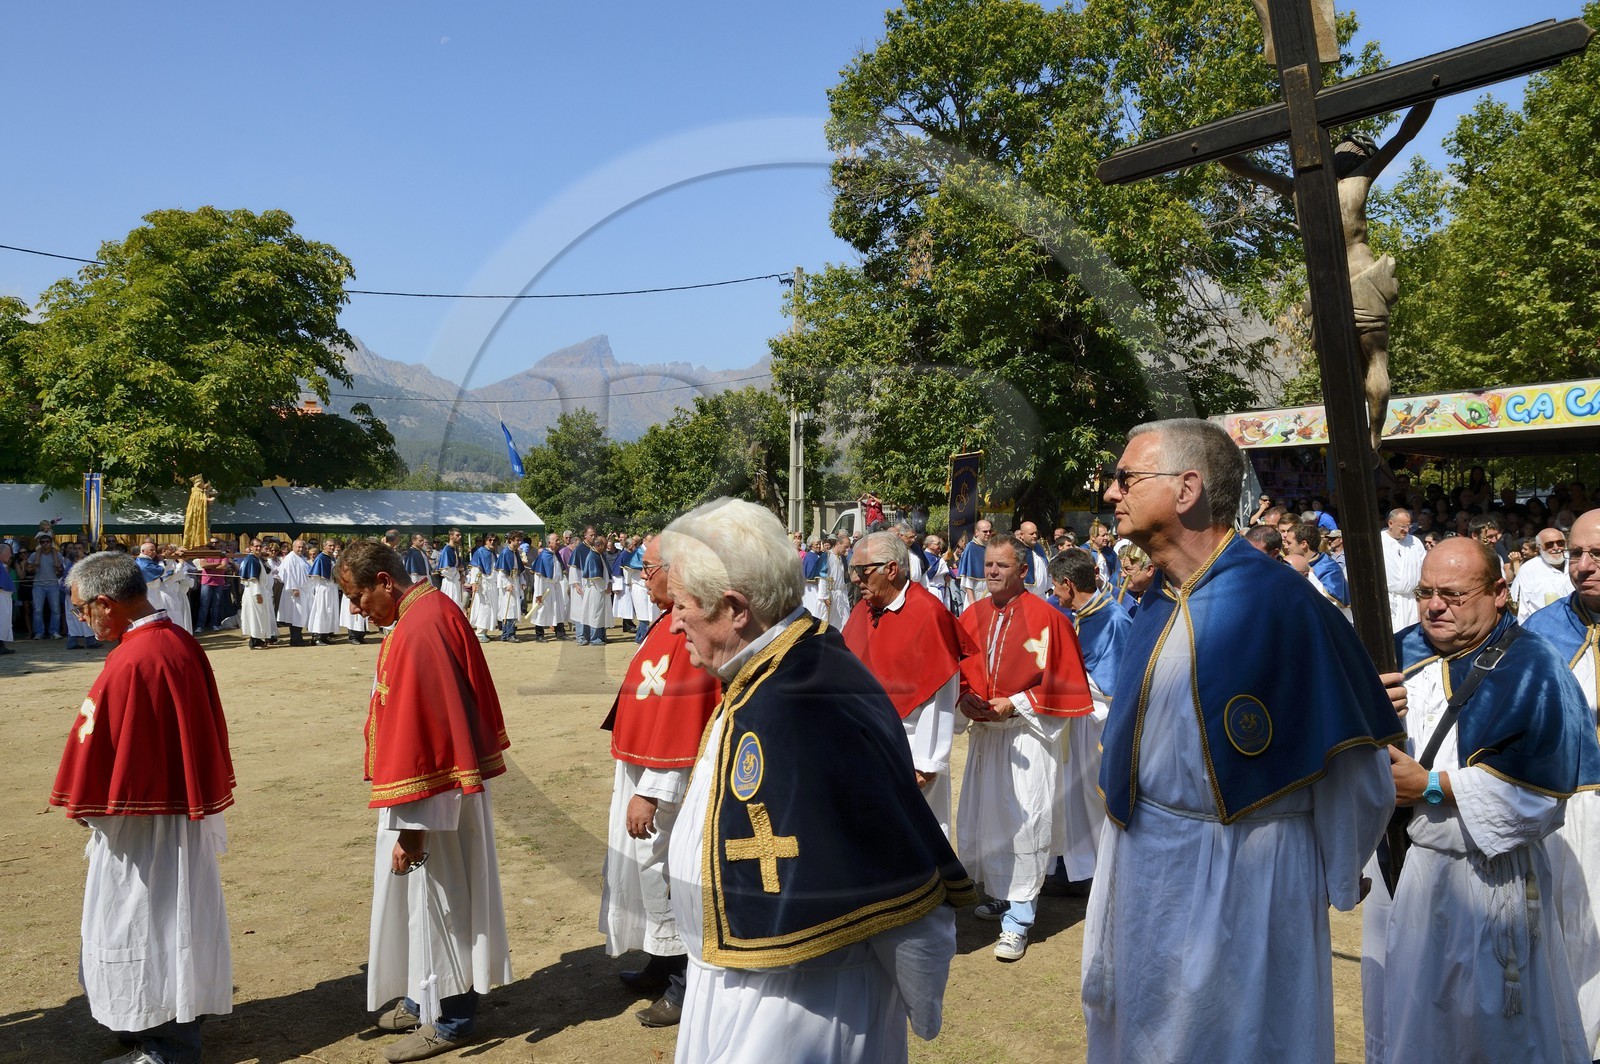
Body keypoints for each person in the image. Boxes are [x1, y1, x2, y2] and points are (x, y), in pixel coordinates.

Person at [1084, 418, 1403, 1063]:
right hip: (1144, 864)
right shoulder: (1154, 600)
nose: (1111, 494)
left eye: (1125, 478)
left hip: (1246, 872)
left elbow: (1356, 768)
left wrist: (1338, 869)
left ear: (1187, 488)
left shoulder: (1281, 605)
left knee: (1232, 1039)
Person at [661, 498, 975, 1064]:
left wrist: (922, 1002)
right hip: (738, 984)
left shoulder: (806, 699)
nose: (673, 619)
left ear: (734, 608)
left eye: (683, 605)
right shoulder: (771, 671)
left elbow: (895, 871)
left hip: (801, 1006)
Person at [1364, 537, 1600, 1062]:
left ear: (1498, 591)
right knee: (1404, 1019)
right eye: (1425, 592)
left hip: (1489, 879)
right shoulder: (1393, 654)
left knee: (1490, 1031)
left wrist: (1429, 786)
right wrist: (1363, 714)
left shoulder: (1534, 668)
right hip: (1398, 875)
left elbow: (1540, 798)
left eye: (1451, 594)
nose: (1433, 606)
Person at [52, 552, 236, 1064]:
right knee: (167, 919)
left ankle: (166, 1043)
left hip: (146, 824)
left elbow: (110, 745)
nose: (81, 620)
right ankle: (158, 1024)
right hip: (162, 815)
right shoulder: (172, 640)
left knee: (148, 922)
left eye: (83, 610)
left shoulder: (139, 657)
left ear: (106, 603)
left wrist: (93, 802)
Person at [335, 540, 513, 1063]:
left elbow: (431, 740)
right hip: (426, 798)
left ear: (385, 582)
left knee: (445, 903)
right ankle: (422, 995)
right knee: (423, 906)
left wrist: (413, 830)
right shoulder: (421, 614)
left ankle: (452, 1019)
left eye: (358, 595)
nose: (355, 609)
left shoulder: (422, 627)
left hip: (434, 803)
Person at [599, 536, 721, 1028]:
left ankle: (684, 981)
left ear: (676, 570)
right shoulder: (664, 622)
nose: (640, 577)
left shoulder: (691, 628)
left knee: (669, 875)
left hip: (666, 779)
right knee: (646, 873)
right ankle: (661, 959)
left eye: (647, 569)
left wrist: (650, 792)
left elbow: (683, 721)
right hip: (644, 767)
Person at [957, 532, 1093, 960]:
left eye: (1002, 565)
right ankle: (999, 893)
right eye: (989, 564)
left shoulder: (1048, 618)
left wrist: (1014, 703)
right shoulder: (972, 614)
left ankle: (1019, 918)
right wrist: (965, 697)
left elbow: (1069, 683)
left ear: (1023, 570)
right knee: (989, 819)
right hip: (986, 737)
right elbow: (957, 669)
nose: (992, 572)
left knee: (1025, 821)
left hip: (1027, 737)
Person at [1525, 508, 1600, 1056]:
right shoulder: (1541, 633)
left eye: (1596, 554)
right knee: (1577, 934)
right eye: (1576, 554)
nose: (1583, 566)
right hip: (1573, 810)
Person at [841, 530, 966, 836]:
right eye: (852, 570)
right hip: (866, 747)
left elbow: (939, 693)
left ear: (892, 570)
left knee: (915, 838)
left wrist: (926, 764)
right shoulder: (863, 610)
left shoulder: (928, 614)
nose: (856, 579)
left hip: (909, 749)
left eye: (862, 571)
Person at [1044, 547, 1130, 896]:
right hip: (1071, 720)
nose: (1052, 594)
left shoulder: (1114, 619)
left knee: (1093, 797)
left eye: (1054, 587)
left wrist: (1062, 678)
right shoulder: (1074, 615)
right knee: (1068, 794)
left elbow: (1119, 681)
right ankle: (1073, 865)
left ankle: (1100, 873)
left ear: (1068, 584)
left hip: (1097, 723)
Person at [1511, 526, 1572, 622]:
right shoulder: (1528, 569)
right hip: (1543, 629)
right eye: (1549, 545)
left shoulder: (1576, 562)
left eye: (1560, 543)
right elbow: (1520, 609)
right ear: (1539, 548)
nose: (1556, 548)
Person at [1382, 507, 1426, 633]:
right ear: (1390, 523)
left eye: (1408, 526)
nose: (1406, 530)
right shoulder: (1379, 542)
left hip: (1411, 601)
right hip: (1389, 599)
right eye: (1402, 526)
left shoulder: (1415, 543)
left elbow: (1424, 566)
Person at [526, 532, 569, 641]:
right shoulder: (544, 556)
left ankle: (560, 633)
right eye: (556, 540)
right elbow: (538, 576)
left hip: (556, 586)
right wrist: (539, 593)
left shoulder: (556, 554)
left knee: (558, 609)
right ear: (549, 543)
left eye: (559, 540)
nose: (559, 542)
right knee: (542, 610)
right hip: (545, 587)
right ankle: (539, 635)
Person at [237, 539, 276, 650]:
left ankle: (259, 639)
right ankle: (254, 641)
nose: (258, 548)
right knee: (255, 616)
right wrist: (257, 594)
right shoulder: (251, 560)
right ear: (251, 547)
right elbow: (253, 580)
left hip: (261, 590)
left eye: (260, 546)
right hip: (254, 592)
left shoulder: (257, 559)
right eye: (256, 546)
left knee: (260, 616)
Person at [26, 531, 66, 638]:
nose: (45, 544)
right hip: (38, 584)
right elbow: (28, 570)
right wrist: (35, 565)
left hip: (53, 584)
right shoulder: (34, 555)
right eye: (42, 542)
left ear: (51, 543)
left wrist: (58, 567)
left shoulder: (57, 555)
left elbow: (62, 571)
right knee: (37, 610)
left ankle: (54, 631)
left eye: (47, 542)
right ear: (40, 543)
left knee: (56, 609)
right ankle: (39, 632)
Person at [303, 540, 339, 646]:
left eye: (333, 546)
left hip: (331, 588)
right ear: (324, 546)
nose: (332, 547)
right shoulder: (321, 558)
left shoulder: (331, 557)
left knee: (329, 612)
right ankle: (316, 636)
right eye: (330, 546)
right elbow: (315, 576)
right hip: (323, 588)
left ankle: (325, 635)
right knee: (321, 611)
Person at [276, 538, 311, 646]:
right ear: (293, 547)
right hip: (295, 592)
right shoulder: (290, 558)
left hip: (304, 591)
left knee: (300, 615)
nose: (301, 549)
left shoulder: (302, 558)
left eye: (302, 547)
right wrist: (294, 588)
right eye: (298, 547)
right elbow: (286, 574)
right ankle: (295, 639)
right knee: (296, 615)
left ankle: (297, 637)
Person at [467, 534, 499, 642]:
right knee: (483, 607)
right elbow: (475, 568)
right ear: (486, 541)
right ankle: (480, 632)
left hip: (492, 583)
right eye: (490, 540)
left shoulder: (492, 552)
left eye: (495, 540)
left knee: (490, 608)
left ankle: (484, 631)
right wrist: (474, 582)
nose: (492, 542)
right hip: (483, 584)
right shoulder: (480, 552)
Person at [957, 519, 993, 608]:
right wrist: (972, 601)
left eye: (990, 531)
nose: (988, 533)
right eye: (985, 531)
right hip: (975, 595)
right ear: (977, 532)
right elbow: (967, 578)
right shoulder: (970, 548)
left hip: (989, 594)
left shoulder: (990, 547)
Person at [1015, 521, 1050, 597]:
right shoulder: (1016, 551)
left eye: (1036, 533)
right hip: (1025, 595)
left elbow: (1046, 568)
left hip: (1042, 595)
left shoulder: (1039, 548)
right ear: (1022, 535)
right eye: (1031, 534)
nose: (1035, 536)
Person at [436, 528, 466, 610]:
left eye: (460, 535)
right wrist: (457, 569)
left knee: (458, 604)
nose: (460, 537)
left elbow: (459, 565)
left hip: (456, 581)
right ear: (451, 536)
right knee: (451, 605)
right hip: (450, 582)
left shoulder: (455, 549)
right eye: (457, 535)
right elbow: (445, 570)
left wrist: (462, 574)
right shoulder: (447, 550)